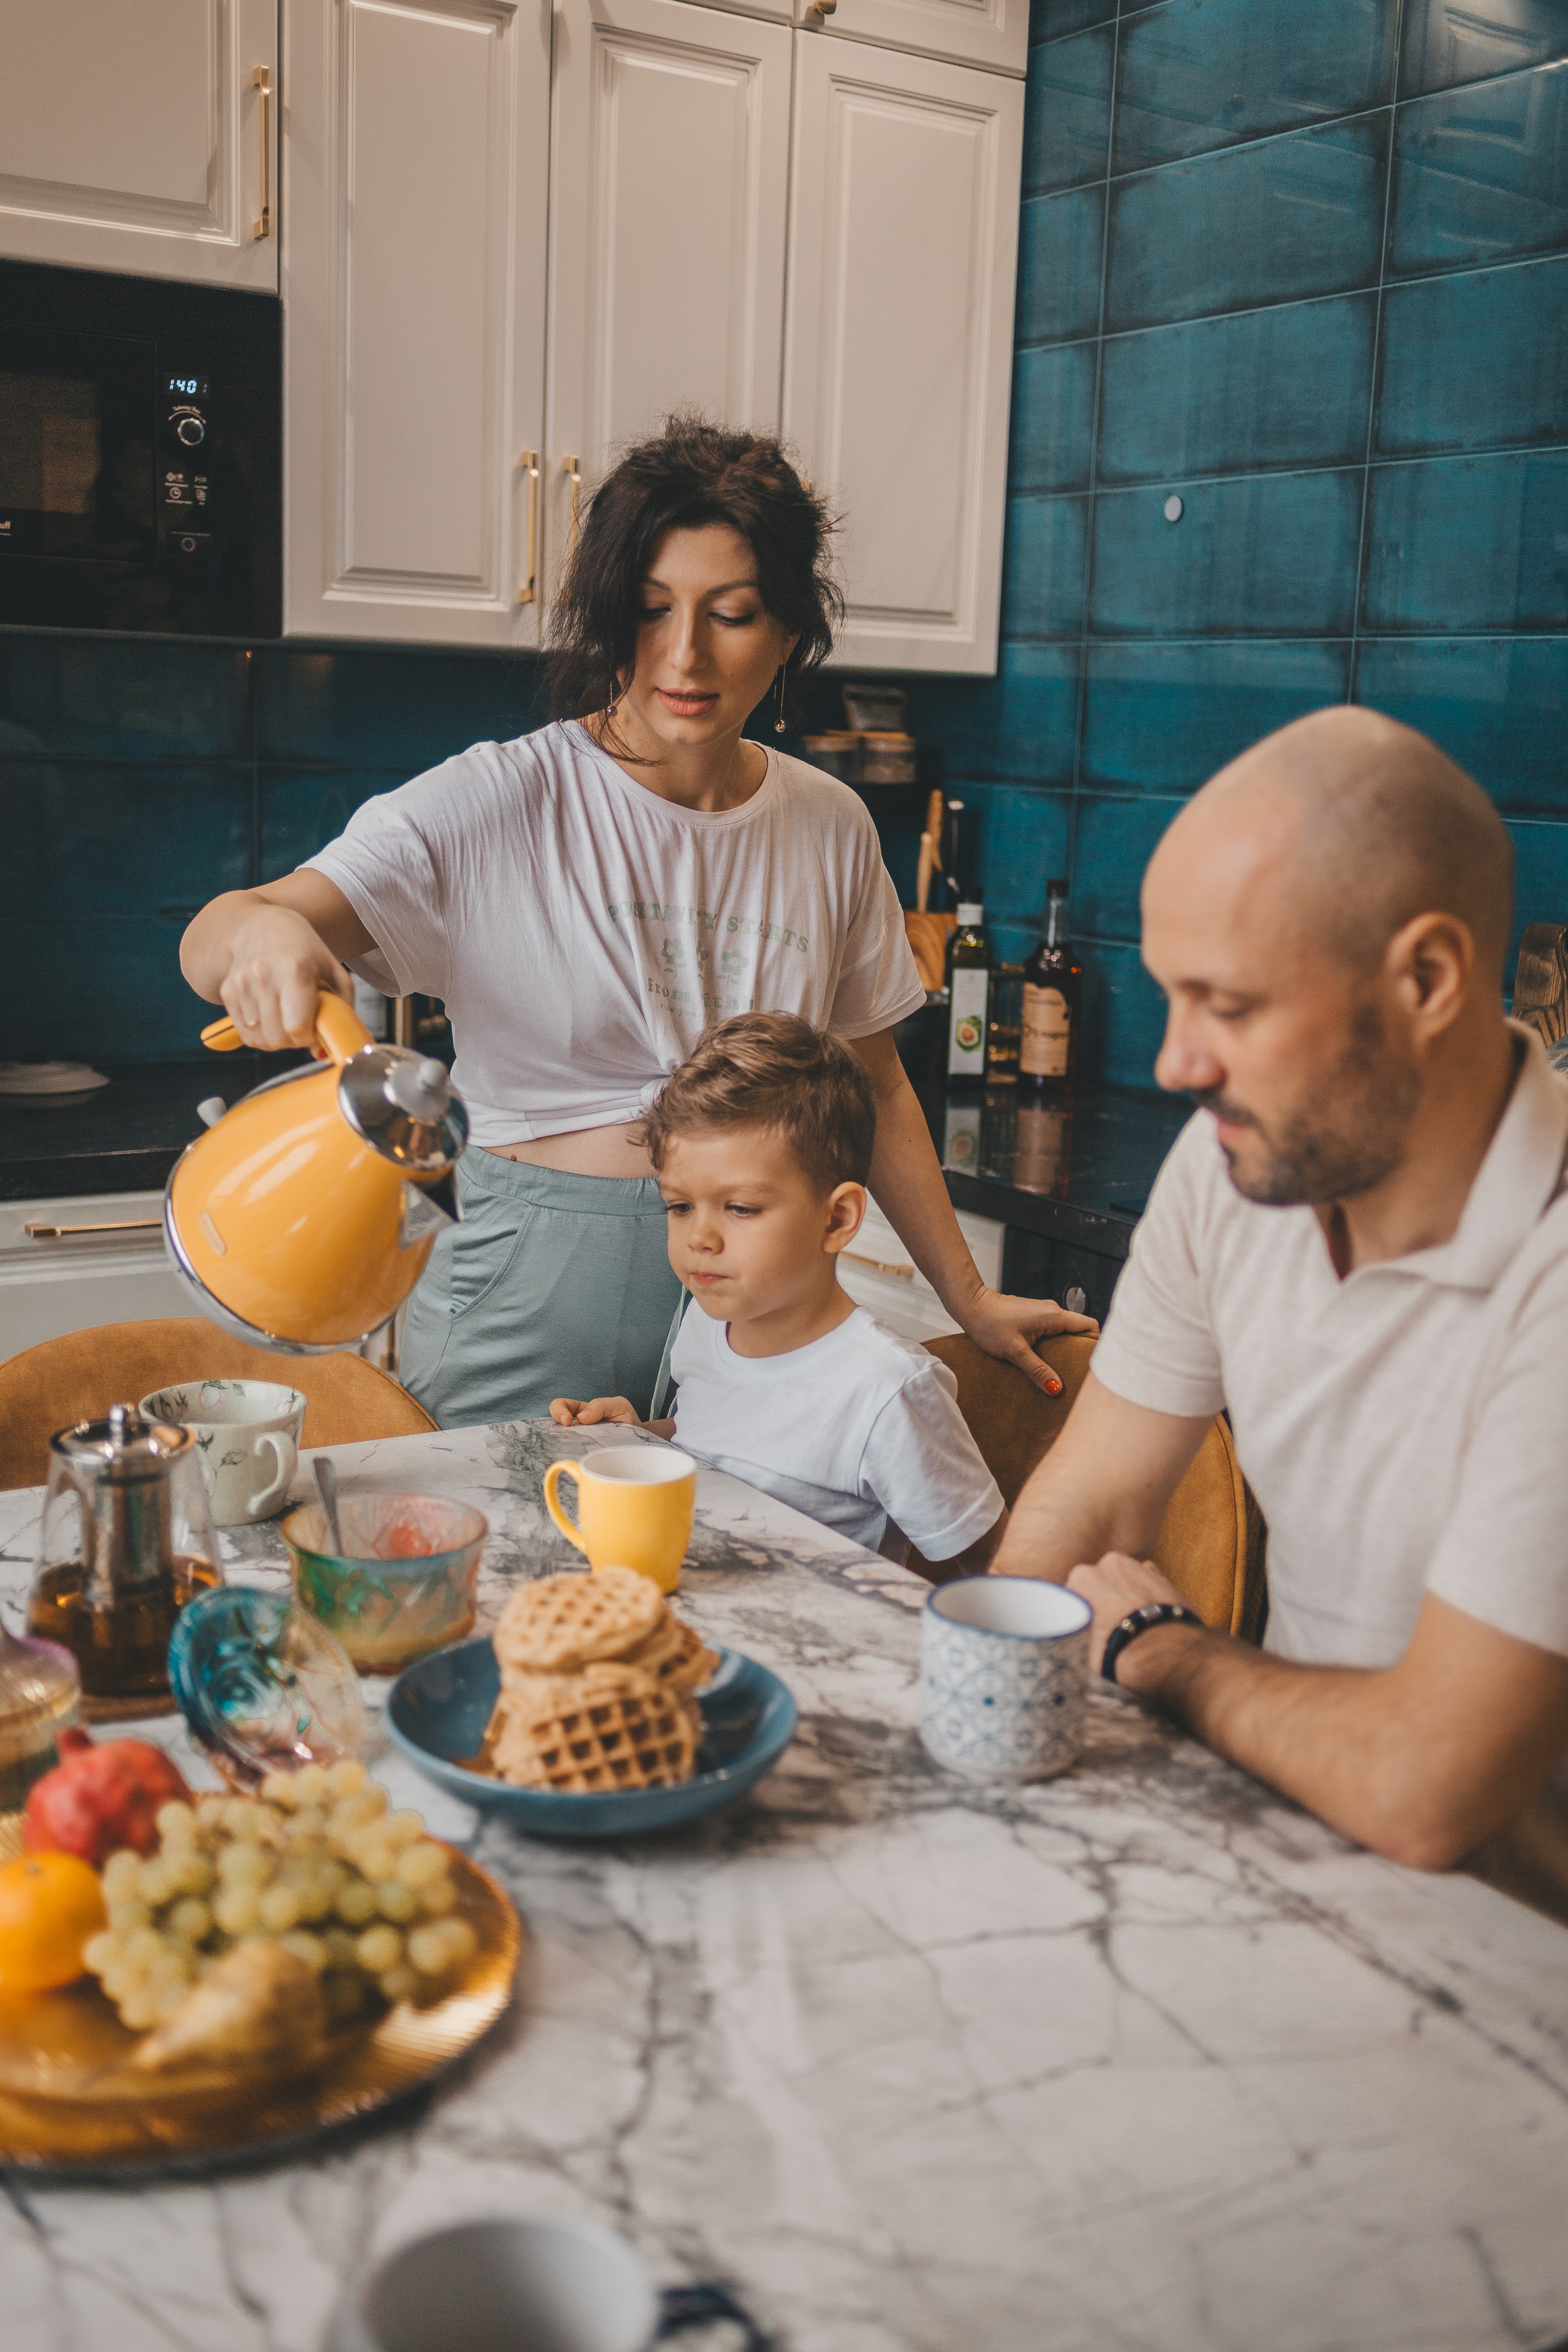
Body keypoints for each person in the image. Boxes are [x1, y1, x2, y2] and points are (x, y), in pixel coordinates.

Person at [179, 417, 1092, 1427]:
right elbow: (227, 926)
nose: (686, 654)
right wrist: (263, 935)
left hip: (757, 1316)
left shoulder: (831, 826)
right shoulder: (501, 801)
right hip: (530, 1294)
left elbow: (873, 1079)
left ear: (790, 631)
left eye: (732, 614)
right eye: (651, 611)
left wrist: (966, 1295)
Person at [992, 705, 1568, 1885]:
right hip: (1293, 1856)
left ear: (1425, 978)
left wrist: (1167, 1654)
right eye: (1172, 998)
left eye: (1231, 1006)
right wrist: (975, 1716)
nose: (1175, 1064)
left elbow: (1428, 1786)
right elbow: (1091, 1510)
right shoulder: (1231, 1163)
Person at [551, 1012, 1008, 1569]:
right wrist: (641, 1438)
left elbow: (1000, 1569)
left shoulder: (888, 1392)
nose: (700, 1238)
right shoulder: (705, 1323)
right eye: (680, 1206)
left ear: (837, 1218)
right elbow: (716, 1437)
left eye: (741, 1208)